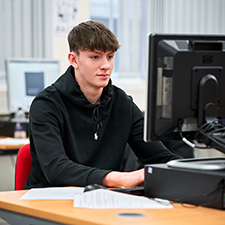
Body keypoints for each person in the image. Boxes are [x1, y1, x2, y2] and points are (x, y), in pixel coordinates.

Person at [24, 21, 181, 189]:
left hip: (101, 199)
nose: (106, 65)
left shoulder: (122, 103)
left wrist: (194, 171)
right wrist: (117, 179)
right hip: (48, 201)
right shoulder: (46, 104)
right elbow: (56, 169)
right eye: (95, 57)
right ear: (73, 60)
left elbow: (160, 157)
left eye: (110, 57)